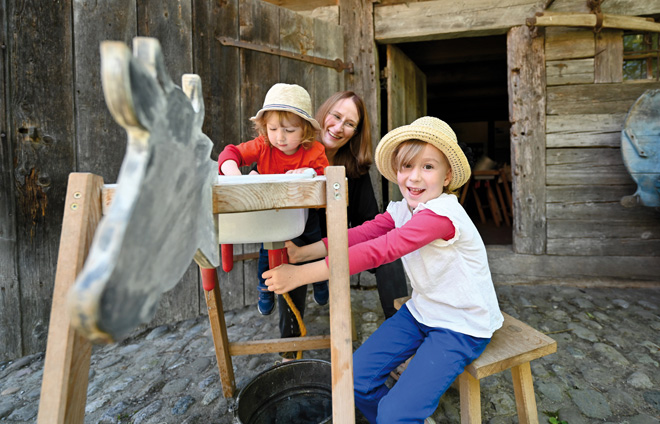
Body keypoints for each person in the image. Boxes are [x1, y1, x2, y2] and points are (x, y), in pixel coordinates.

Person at [263, 116, 504, 423]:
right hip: (423, 311)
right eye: (407, 167)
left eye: (428, 167)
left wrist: (301, 276)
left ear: (447, 176)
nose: (414, 177)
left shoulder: (442, 215)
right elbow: (361, 234)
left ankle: (397, 417)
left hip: (461, 324)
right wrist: (302, 253)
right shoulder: (404, 209)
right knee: (354, 381)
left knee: (395, 412)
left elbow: (381, 250)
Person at [217, 83, 329, 317]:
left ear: (305, 130)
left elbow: (325, 180)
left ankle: (320, 281)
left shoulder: (314, 151)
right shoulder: (263, 146)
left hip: (303, 213)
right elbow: (230, 153)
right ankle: (264, 289)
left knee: (314, 241)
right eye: (273, 128)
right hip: (271, 215)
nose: (280, 137)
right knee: (266, 250)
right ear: (264, 128)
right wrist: (234, 174)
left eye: (289, 130)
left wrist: (309, 174)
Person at [315, 91, 408, 319]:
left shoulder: (354, 168)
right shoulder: (293, 151)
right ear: (324, 113)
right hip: (298, 242)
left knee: (390, 253)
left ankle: (400, 325)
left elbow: (367, 221)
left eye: (349, 124)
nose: (338, 128)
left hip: (337, 244)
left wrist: (386, 243)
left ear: (355, 133)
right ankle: (289, 350)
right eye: (335, 116)